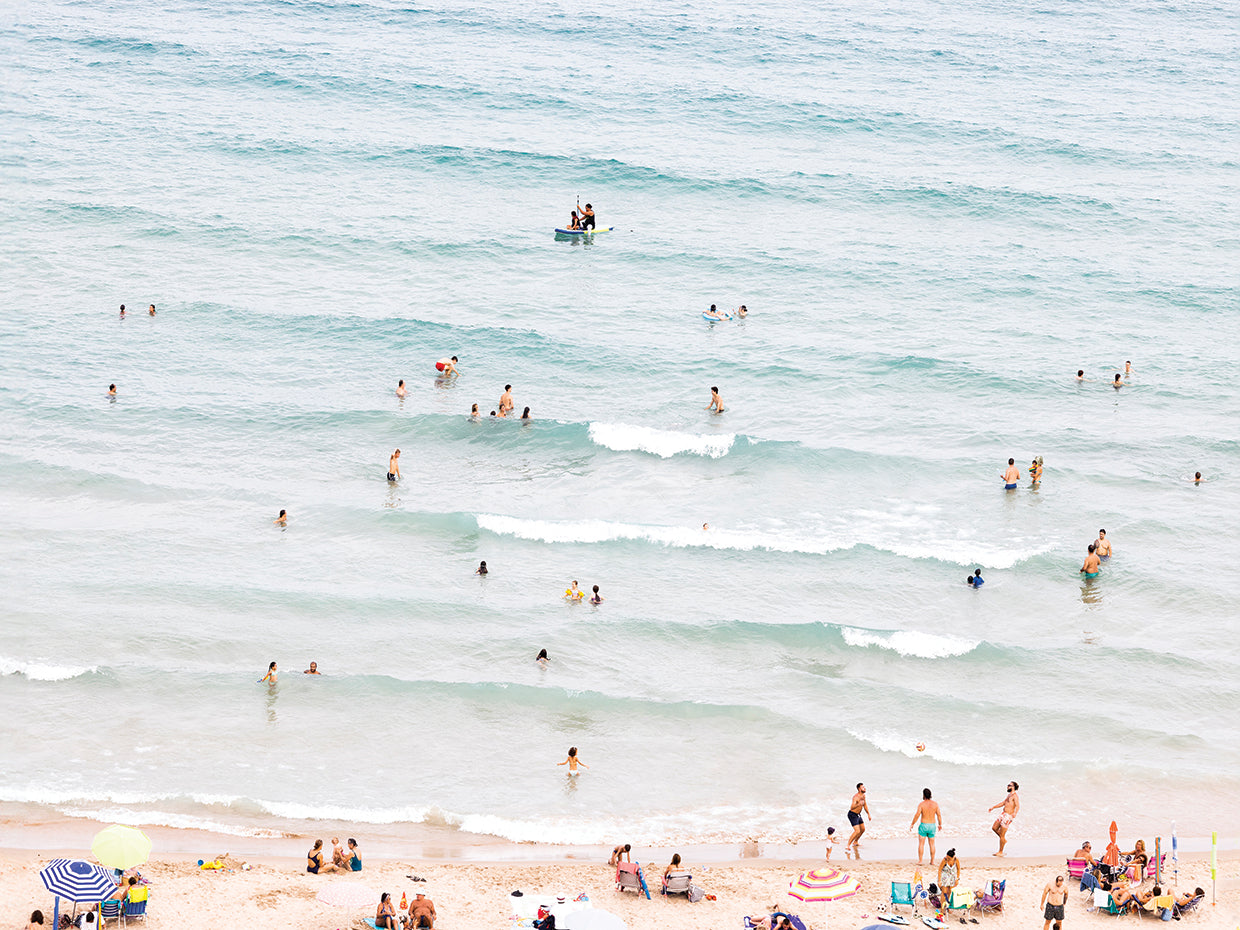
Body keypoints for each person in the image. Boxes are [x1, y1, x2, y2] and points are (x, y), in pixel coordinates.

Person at [910, 788, 942, 865]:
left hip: (924, 825)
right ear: (930, 795)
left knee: (921, 844)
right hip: (932, 826)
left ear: (923, 795)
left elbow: (917, 815)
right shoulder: (935, 804)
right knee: (932, 844)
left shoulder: (921, 804)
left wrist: (912, 824)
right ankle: (932, 861)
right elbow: (939, 815)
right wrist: (940, 824)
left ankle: (920, 861)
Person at [988, 780, 1019, 855]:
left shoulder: (1015, 796)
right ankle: (1003, 840)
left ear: (1013, 787)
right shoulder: (1009, 795)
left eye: (1009, 785)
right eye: (1008, 785)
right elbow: (1003, 803)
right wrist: (993, 807)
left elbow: (1017, 806)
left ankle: (1000, 851)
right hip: (1003, 814)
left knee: (1002, 835)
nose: (1008, 786)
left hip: (1008, 816)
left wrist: (1015, 813)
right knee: (994, 828)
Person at [845, 783, 869, 855]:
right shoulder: (856, 797)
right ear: (859, 789)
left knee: (863, 829)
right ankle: (848, 845)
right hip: (852, 815)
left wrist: (868, 814)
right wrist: (858, 804)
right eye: (862, 787)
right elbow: (852, 807)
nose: (864, 788)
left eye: (864, 787)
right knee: (857, 831)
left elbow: (865, 805)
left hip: (858, 815)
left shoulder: (863, 796)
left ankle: (855, 842)